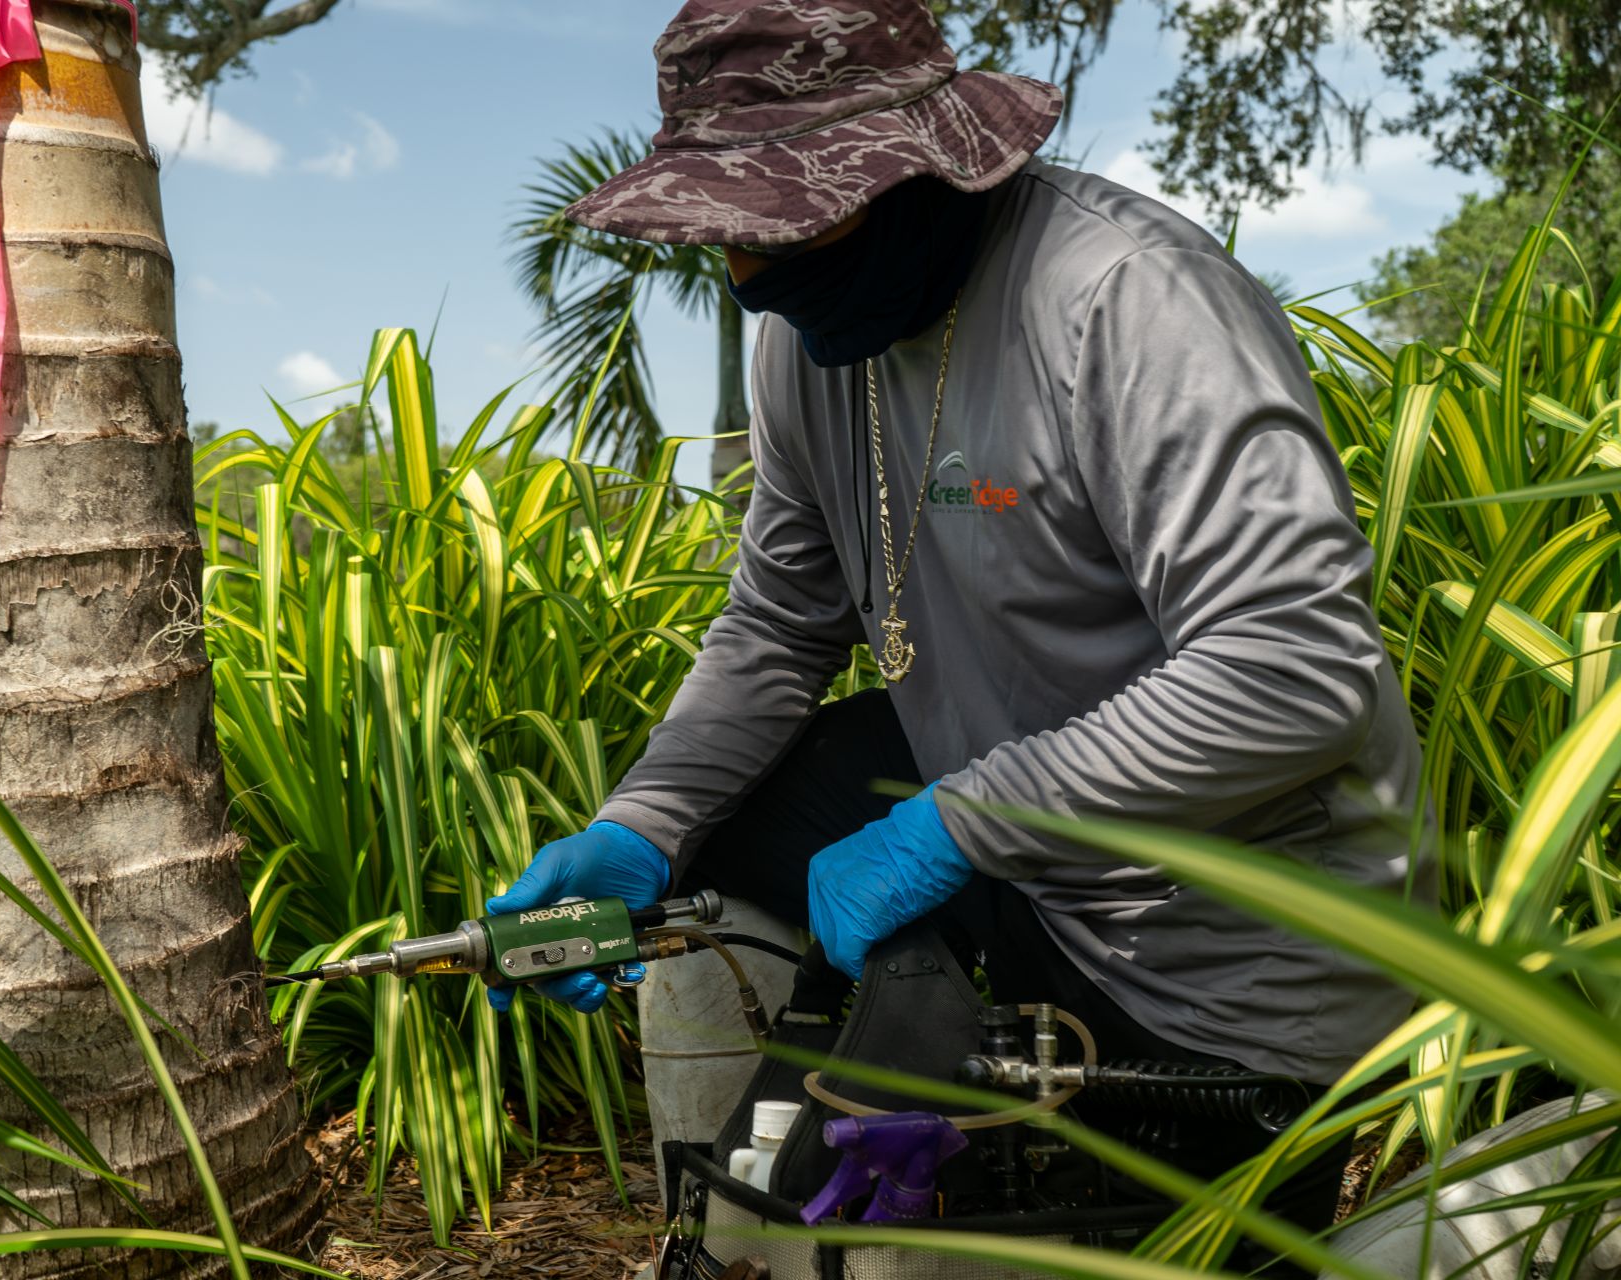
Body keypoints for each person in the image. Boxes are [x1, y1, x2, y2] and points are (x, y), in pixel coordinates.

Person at [486, 0, 1425, 1241]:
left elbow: (1294, 667)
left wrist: (959, 825)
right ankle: (749, 1225)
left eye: (782, 219)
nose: (747, 276)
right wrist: (642, 824)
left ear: (923, 166)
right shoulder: (811, 344)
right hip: (1017, 827)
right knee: (718, 834)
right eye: (731, 226)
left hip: (1220, 933)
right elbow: (778, 625)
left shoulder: (1127, 299)